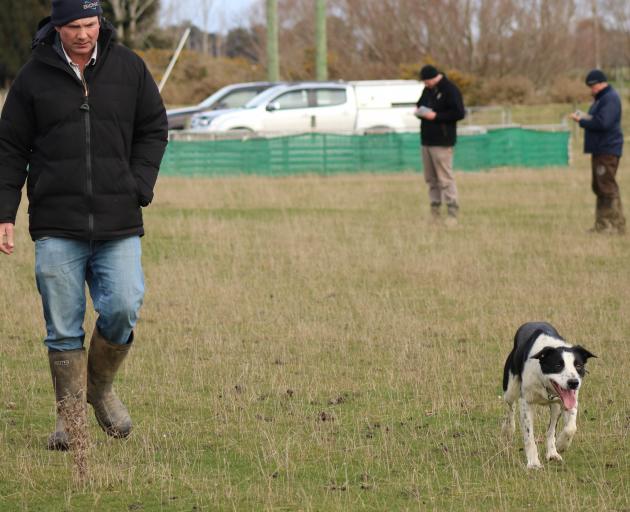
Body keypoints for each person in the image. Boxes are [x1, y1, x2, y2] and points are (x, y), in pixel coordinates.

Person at [0, 0, 168, 450]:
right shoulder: (33, 77)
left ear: (100, 22)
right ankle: (69, 422)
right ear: (57, 26)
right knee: (62, 326)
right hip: (56, 223)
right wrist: (5, 212)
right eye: (73, 25)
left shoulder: (129, 68)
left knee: (124, 305)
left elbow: (154, 127)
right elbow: (11, 148)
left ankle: (98, 389)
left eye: (90, 24)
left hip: (119, 220)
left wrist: (138, 184)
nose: (83, 34)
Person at [570, 69, 626, 234]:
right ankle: (602, 225)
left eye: (592, 86)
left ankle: (616, 226)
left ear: (601, 83)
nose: (591, 89)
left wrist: (582, 121)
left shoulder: (610, 99)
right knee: (599, 186)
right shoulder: (601, 99)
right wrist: (586, 118)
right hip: (600, 149)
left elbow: (603, 123)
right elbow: (597, 120)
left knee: (607, 186)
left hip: (607, 149)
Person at [415, 65, 466, 226]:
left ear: (433, 77)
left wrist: (436, 116)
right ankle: (435, 212)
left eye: (426, 81)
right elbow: (420, 104)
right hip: (427, 141)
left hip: (442, 142)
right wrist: (420, 112)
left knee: (445, 178)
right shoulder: (428, 90)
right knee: (431, 179)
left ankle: (452, 212)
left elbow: (459, 113)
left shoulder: (450, 90)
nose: (425, 84)